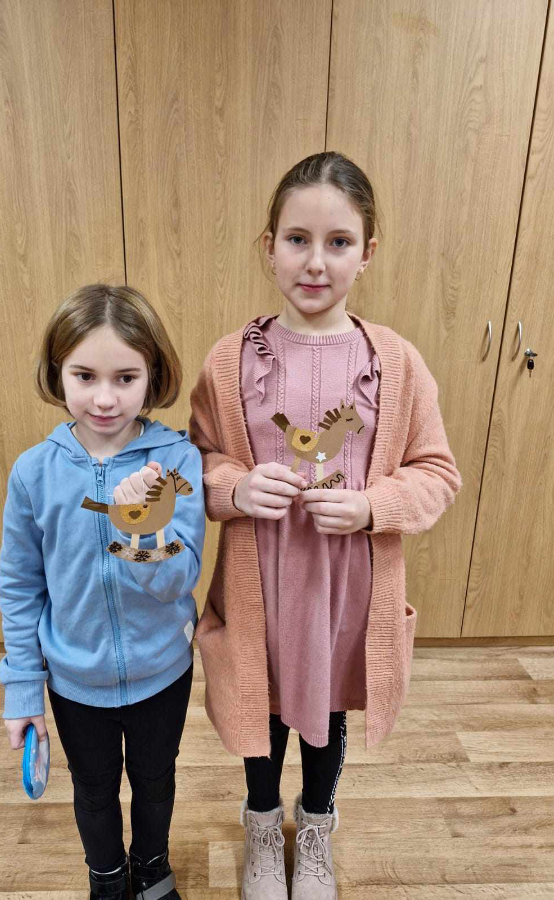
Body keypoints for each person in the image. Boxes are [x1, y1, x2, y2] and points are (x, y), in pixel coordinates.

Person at [189, 152, 462, 899]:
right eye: (297, 239)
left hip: (346, 592)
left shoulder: (396, 363)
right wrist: (238, 488)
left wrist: (374, 506)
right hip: (260, 587)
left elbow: (436, 472)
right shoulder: (228, 361)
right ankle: (259, 825)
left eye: (337, 242)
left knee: (326, 711)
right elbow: (195, 462)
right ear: (268, 245)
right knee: (260, 707)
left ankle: (314, 829)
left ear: (366, 252)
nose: (315, 261)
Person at [0, 284, 205, 900]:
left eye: (126, 377)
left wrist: (141, 527)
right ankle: (107, 877)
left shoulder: (176, 461)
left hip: (162, 670)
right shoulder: (33, 471)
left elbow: (178, 579)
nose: (105, 398)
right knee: (92, 790)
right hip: (74, 678)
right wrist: (22, 686)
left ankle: (151, 866)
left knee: (155, 781)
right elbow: (20, 585)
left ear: (153, 376)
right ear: (57, 372)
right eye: (85, 376)